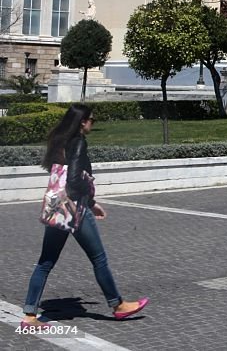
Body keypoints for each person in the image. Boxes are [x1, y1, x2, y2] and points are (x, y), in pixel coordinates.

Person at [20, 104, 148, 331]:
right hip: (75, 208)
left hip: (56, 206)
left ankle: (29, 315)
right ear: (82, 122)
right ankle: (118, 305)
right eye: (91, 120)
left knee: (45, 262)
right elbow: (74, 179)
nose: (92, 124)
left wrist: (92, 203)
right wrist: (89, 199)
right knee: (99, 259)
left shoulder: (59, 141)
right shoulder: (78, 142)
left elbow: (61, 177)